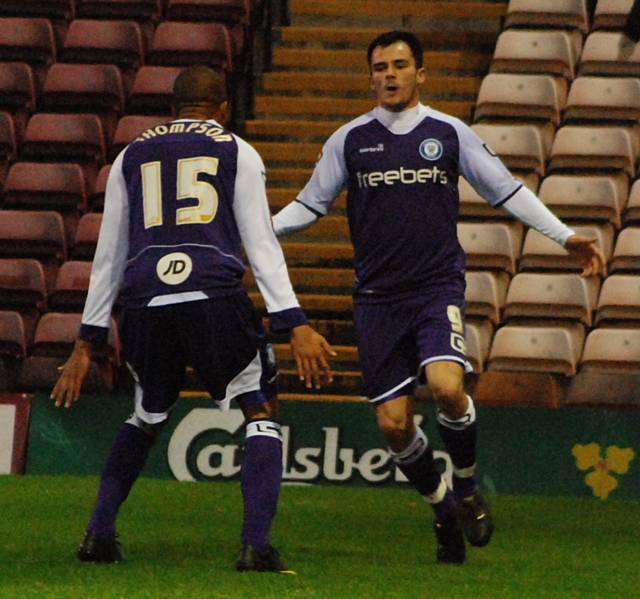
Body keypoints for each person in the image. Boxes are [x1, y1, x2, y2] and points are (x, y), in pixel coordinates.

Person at [272, 31, 605, 564]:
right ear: (370, 76)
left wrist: (565, 237)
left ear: (420, 74)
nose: (388, 74)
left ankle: (469, 485)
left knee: (448, 388)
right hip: (376, 299)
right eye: (379, 67)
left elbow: (506, 189)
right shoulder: (349, 140)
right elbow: (310, 206)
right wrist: (259, 230)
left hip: (435, 288)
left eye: (399, 65)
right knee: (393, 425)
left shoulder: (448, 133)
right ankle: (442, 506)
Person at [50, 65, 335, 572]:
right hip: (212, 297)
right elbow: (260, 242)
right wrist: (295, 323)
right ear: (223, 108)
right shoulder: (235, 150)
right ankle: (255, 545)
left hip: (147, 304)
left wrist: (86, 343)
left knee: (145, 414)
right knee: (259, 408)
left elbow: (109, 255)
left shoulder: (130, 156)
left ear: (173, 108)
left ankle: (98, 533)